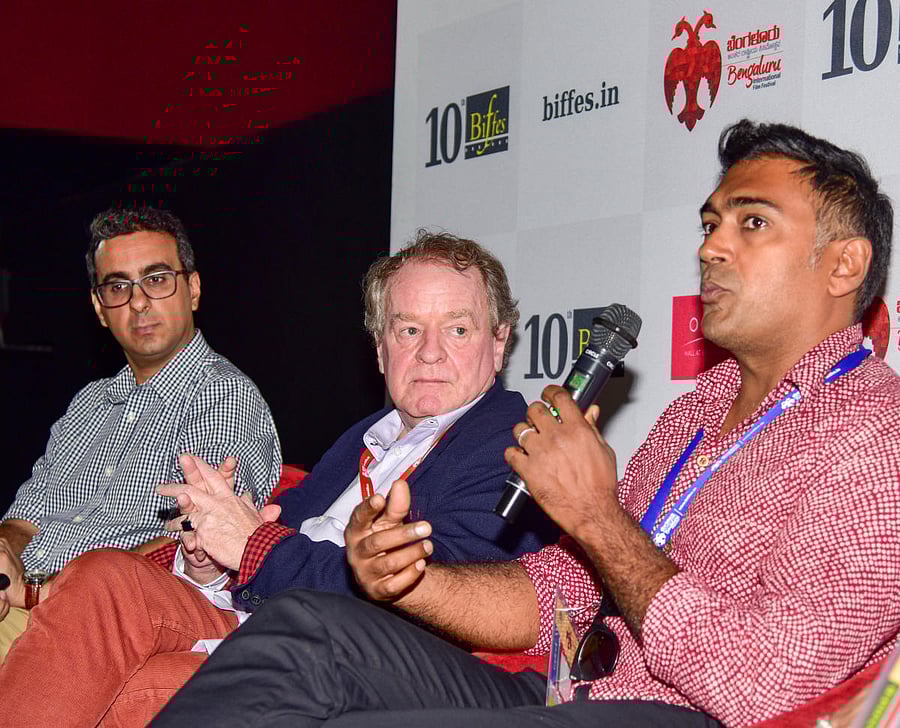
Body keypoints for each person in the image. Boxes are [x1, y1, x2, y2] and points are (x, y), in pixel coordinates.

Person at [151, 119, 900, 728]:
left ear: (843, 265)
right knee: (305, 633)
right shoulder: (695, 412)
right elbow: (557, 594)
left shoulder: (873, 434)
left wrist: (598, 517)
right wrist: (407, 582)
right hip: (571, 690)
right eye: (710, 223)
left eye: (752, 222)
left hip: (688, 715)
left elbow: (769, 685)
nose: (710, 247)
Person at [0, 231, 558, 726]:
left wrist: (251, 545)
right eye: (408, 329)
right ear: (381, 349)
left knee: (143, 688)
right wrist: (207, 560)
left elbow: (435, 597)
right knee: (102, 576)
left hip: (338, 653)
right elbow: (274, 538)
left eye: (457, 329)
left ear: (499, 342)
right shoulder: (368, 435)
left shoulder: (513, 446)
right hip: (255, 616)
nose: (429, 353)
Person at [0, 207, 281, 658]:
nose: (138, 302)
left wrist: (45, 591)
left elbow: (200, 540)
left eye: (157, 279)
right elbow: (23, 520)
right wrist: (5, 553)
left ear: (192, 289)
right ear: (99, 308)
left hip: (93, 616)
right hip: (23, 600)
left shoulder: (222, 395)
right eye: (118, 287)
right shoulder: (89, 403)